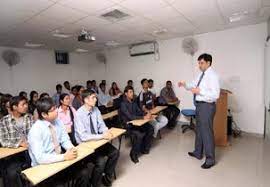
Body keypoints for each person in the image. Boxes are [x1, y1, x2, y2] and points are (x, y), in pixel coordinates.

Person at [28, 97, 91, 186]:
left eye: (56, 108)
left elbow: (65, 139)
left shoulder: (57, 121)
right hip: (44, 167)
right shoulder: (35, 130)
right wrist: (64, 157)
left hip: (60, 159)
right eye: (53, 110)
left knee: (84, 172)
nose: (57, 111)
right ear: (44, 114)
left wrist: (71, 149)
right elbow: (40, 158)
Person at [178, 53, 220, 169]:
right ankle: (198, 152)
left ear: (208, 63)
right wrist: (185, 84)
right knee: (199, 130)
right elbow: (193, 85)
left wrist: (200, 92)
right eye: (199, 63)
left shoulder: (213, 76)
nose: (199, 65)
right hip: (200, 106)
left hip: (207, 106)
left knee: (207, 132)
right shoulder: (201, 75)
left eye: (201, 63)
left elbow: (215, 95)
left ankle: (210, 159)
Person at [75, 89, 119, 187]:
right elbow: (83, 137)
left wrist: (106, 131)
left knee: (115, 153)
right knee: (101, 161)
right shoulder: (79, 114)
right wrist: (102, 136)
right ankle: (94, 184)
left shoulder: (96, 110)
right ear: (86, 100)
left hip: (97, 141)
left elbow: (101, 125)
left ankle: (106, 178)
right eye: (93, 97)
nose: (96, 99)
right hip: (85, 145)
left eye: (95, 97)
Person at [0, 96, 33, 187]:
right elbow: (3, 141)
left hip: (30, 151)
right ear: (14, 107)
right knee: (12, 174)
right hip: (14, 155)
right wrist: (19, 143)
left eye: (26, 104)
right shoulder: (4, 121)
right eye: (23, 104)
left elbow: (34, 134)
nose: (26, 106)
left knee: (37, 169)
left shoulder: (29, 117)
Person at [119, 86, 154, 163]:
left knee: (150, 128)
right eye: (130, 92)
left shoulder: (133, 102)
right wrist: (143, 117)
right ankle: (133, 154)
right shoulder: (123, 104)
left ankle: (144, 149)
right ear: (126, 93)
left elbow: (139, 111)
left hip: (137, 123)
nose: (132, 94)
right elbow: (130, 117)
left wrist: (146, 113)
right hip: (128, 125)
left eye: (133, 92)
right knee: (139, 134)